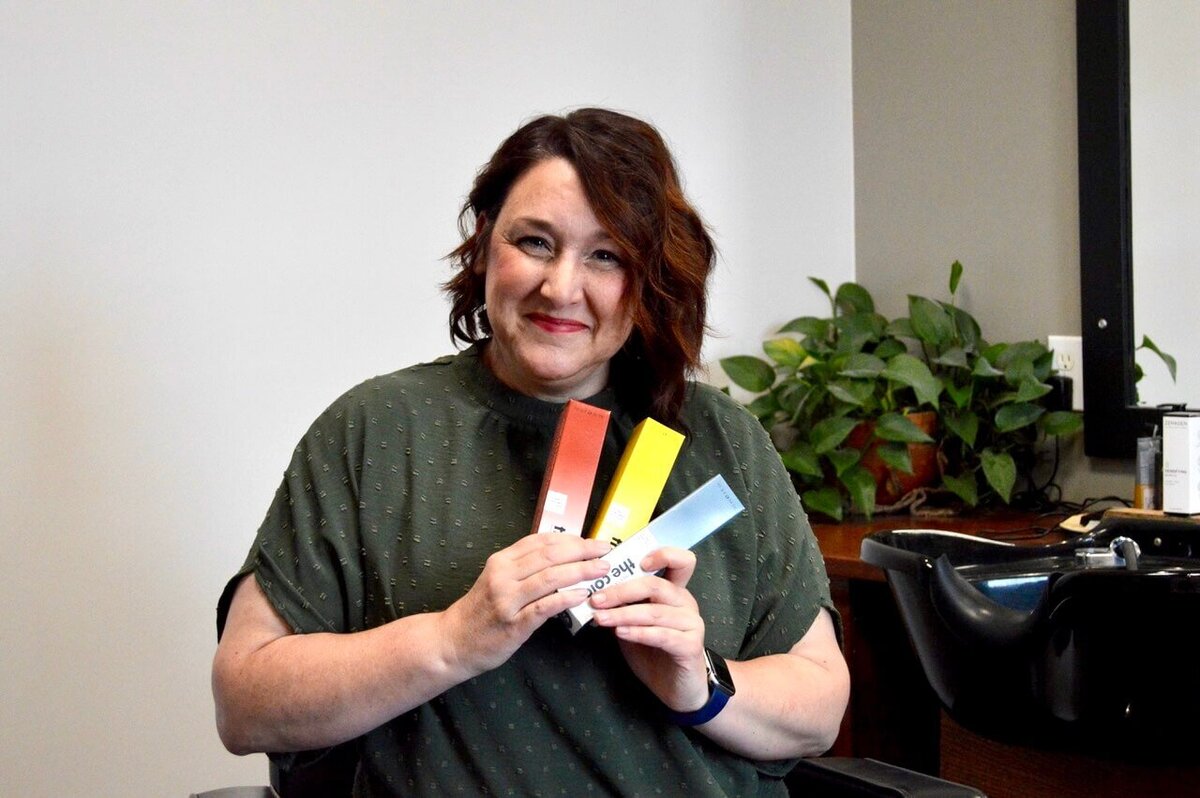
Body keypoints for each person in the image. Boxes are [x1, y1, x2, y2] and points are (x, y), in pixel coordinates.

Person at [212, 107, 850, 797]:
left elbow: (819, 708)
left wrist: (701, 684)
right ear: (485, 243)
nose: (561, 288)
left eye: (606, 256)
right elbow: (245, 702)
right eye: (536, 242)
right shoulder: (375, 429)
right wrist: (452, 640)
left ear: (650, 278)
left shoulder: (724, 439)